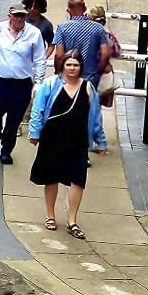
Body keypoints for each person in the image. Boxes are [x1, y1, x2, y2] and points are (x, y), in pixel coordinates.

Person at [28, 51, 107, 239]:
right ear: (63, 66)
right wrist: (35, 132)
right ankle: (50, 215)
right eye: (69, 65)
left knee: (78, 179)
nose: (72, 68)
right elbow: (38, 109)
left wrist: (100, 140)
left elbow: (95, 116)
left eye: (76, 65)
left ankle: (72, 220)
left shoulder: (88, 88)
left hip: (78, 140)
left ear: (81, 67)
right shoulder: (51, 84)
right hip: (53, 137)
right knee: (51, 176)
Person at [0, 4, 48, 163]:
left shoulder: (34, 33)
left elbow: (39, 59)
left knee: (14, 119)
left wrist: (38, 82)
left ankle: (6, 149)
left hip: (21, 84)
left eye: (22, 16)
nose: (19, 19)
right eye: (16, 15)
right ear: (9, 16)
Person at [52, 0, 110, 88]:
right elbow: (105, 54)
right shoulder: (98, 28)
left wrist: (59, 71)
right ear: (85, 9)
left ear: (69, 10)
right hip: (90, 78)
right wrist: (98, 71)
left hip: (68, 78)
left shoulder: (62, 28)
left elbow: (59, 55)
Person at [90, 5, 123, 107]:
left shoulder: (84, 36)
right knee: (96, 108)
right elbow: (117, 52)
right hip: (104, 72)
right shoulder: (109, 36)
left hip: (88, 72)